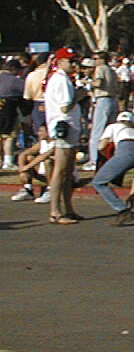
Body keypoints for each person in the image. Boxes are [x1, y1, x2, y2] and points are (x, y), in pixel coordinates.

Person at [44, 47, 88, 224]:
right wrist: (80, 95)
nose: (74, 64)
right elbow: (65, 106)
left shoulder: (65, 79)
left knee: (69, 170)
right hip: (64, 127)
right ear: (60, 62)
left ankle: (68, 208)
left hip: (71, 127)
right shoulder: (60, 80)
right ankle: (55, 210)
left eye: (75, 61)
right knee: (60, 170)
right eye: (71, 61)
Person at [92, 111, 134, 225]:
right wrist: (132, 193)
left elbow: (102, 145)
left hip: (126, 150)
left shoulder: (113, 126)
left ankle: (122, 210)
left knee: (99, 182)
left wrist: (106, 158)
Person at [85, 52, 119, 171]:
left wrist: (87, 83)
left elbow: (98, 83)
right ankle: (111, 157)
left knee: (97, 132)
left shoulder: (100, 69)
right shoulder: (112, 70)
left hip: (103, 99)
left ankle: (94, 160)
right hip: (113, 100)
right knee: (110, 132)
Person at [10, 124, 54, 203]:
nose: (38, 133)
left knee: (48, 162)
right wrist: (22, 170)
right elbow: (23, 154)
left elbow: (44, 156)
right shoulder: (42, 143)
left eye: (41, 131)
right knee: (29, 157)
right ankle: (28, 189)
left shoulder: (56, 143)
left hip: (59, 176)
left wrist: (27, 167)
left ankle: (51, 190)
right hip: (44, 175)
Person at [0, 58, 26, 170]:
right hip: (9, 109)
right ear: (14, 69)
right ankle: (8, 161)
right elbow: (25, 93)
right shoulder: (16, 81)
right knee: (9, 136)